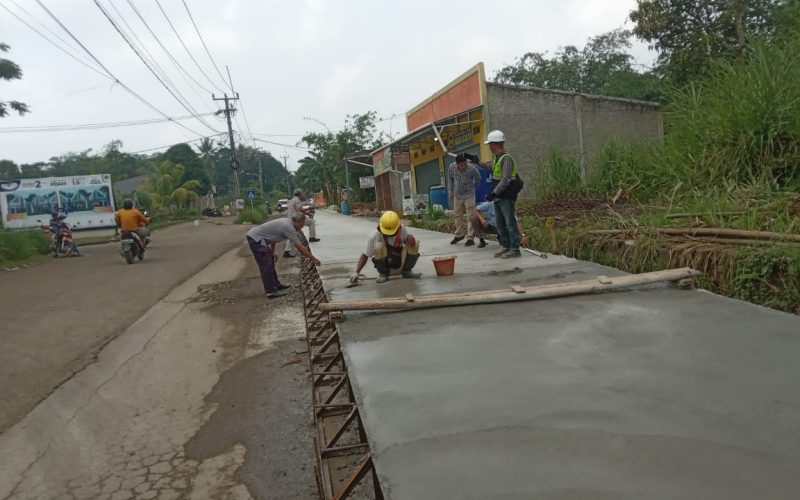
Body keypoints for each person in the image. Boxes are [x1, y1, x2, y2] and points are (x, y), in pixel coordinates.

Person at [464, 129, 524, 258]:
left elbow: (506, 179)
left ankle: (515, 249)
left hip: (506, 197)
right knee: (501, 224)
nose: (489, 147)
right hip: (498, 197)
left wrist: (493, 193)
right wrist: (477, 162)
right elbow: (490, 168)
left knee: (510, 223)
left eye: (490, 144)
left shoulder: (507, 159)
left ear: (495, 144)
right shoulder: (498, 158)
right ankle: (506, 246)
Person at [246, 214, 321, 298]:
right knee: (266, 266)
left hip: (258, 237)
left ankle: (276, 285)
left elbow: (272, 237)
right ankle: (271, 291)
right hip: (256, 238)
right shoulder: (288, 227)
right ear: (298, 222)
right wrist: (313, 259)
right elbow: (299, 246)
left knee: (269, 262)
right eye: (302, 224)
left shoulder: (287, 222)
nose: (301, 227)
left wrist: (272, 252)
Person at [350, 211, 420, 284]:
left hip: (400, 264)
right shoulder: (374, 236)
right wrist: (356, 272)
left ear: (398, 226)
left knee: (415, 242)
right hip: (385, 267)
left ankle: (407, 272)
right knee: (378, 246)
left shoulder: (401, 229)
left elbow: (408, 244)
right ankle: (383, 274)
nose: (389, 234)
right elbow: (365, 255)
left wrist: (409, 236)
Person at [447, 153, 481, 246]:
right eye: (461, 165)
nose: (463, 167)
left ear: (466, 162)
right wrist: (450, 191)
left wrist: (473, 188)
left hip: (469, 195)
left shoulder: (472, 168)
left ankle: (470, 237)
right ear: (457, 164)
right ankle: (459, 234)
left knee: (471, 216)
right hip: (457, 195)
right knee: (457, 215)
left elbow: (478, 178)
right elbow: (450, 179)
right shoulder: (451, 167)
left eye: (465, 164)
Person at [284, 188, 318, 258]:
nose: (303, 195)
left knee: (292, 234)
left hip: (291, 219)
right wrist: (310, 207)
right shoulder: (297, 200)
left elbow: (297, 211)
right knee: (311, 222)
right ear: (300, 194)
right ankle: (312, 237)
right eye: (302, 193)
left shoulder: (292, 200)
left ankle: (286, 251)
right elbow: (300, 210)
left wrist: (306, 212)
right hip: (297, 219)